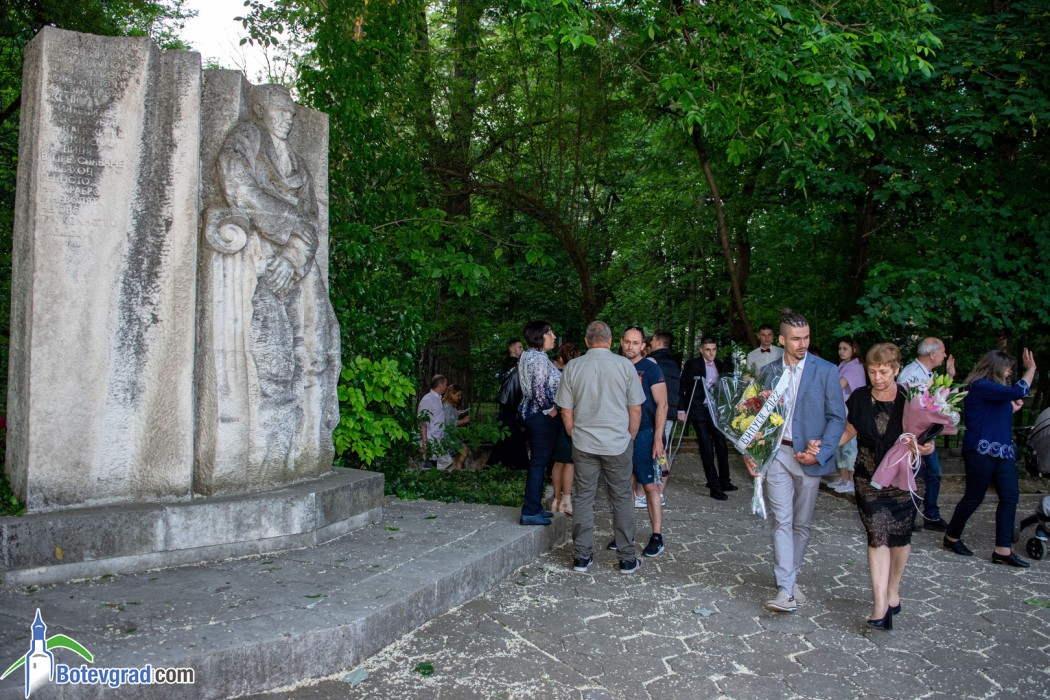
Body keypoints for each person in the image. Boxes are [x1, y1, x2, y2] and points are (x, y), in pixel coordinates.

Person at [212, 83, 341, 477]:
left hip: (297, 266)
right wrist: (288, 230)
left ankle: (307, 451)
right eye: (281, 109)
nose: (289, 117)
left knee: (316, 352)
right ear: (260, 110)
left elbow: (312, 222)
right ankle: (266, 458)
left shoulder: (298, 164)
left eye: (291, 111)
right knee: (272, 360)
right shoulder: (247, 138)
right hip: (258, 262)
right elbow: (237, 184)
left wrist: (294, 256)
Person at [744, 308, 846, 613]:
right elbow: (754, 417)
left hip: (809, 458)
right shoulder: (769, 372)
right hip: (777, 454)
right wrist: (751, 453)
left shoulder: (826, 370)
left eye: (806, 338)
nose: (803, 344)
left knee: (801, 524)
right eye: (796, 339)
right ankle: (785, 590)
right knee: (781, 520)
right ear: (782, 340)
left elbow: (837, 418)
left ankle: (791, 579)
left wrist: (821, 452)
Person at [839, 343, 934, 630]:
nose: (877, 377)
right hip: (868, 477)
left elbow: (926, 439)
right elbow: (849, 429)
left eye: (883, 371)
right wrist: (820, 448)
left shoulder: (911, 397)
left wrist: (926, 448)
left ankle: (893, 589)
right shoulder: (859, 397)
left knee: (900, 537)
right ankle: (880, 604)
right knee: (877, 534)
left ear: (896, 369)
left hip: (904, 478)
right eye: (872, 371)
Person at [554, 321, 645, 574]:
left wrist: (574, 433)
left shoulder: (573, 367)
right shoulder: (625, 366)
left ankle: (581, 557)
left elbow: (565, 410)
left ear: (586, 341)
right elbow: (636, 409)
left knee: (583, 497)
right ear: (611, 340)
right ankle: (627, 559)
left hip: (584, 443)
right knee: (622, 498)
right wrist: (630, 436)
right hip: (618, 443)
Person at [943, 349, 1038, 568]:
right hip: (980, 450)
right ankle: (952, 536)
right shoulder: (979, 385)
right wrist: (1031, 369)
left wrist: (1011, 408)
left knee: (1010, 497)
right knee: (974, 497)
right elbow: (1019, 390)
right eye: (1008, 368)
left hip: (1003, 451)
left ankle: (1002, 550)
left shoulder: (996, 391)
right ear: (996, 367)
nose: (1009, 372)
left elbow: (994, 413)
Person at [898, 337, 956, 531]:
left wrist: (950, 377)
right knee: (920, 475)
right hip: (915, 436)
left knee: (932, 474)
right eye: (943, 351)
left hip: (926, 436)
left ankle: (928, 515)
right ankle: (914, 515)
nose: (945, 355)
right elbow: (908, 407)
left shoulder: (927, 373)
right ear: (932, 354)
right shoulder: (912, 374)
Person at [622, 327, 668, 557]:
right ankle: (625, 534)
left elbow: (663, 404)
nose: (630, 346)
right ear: (621, 342)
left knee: (649, 486)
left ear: (643, 346)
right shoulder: (617, 366)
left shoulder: (651, 368)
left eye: (635, 343)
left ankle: (656, 536)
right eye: (627, 342)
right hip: (620, 434)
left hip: (646, 433)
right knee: (624, 486)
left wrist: (658, 439)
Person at [680, 338, 737, 500]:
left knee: (721, 444)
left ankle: (724, 480)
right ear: (701, 350)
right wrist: (681, 409)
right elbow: (682, 386)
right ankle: (714, 486)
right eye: (707, 350)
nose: (711, 353)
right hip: (699, 410)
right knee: (706, 447)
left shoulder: (720, 364)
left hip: (714, 411)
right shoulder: (693, 364)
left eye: (713, 349)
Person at [517, 321, 561, 526]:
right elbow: (539, 392)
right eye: (550, 333)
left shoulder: (527, 355)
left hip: (529, 413)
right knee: (538, 463)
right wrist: (551, 411)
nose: (554, 336)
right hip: (540, 416)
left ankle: (534, 506)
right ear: (540, 336)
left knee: (538, 462)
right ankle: (530, 511)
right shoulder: (540, 359)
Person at [829, 337, 866, 495]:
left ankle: (851, 479)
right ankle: (843, 477)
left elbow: (838, 386)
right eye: (840, 349)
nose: (841, 351)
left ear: (854, 349)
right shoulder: (843, 365)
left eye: (845, 348)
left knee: (850, 444)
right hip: (840, 407)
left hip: (850, 408)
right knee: (839, 444)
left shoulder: (855, 366)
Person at [648, 331, 681, 505]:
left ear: (658, 342)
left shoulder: (653, 361)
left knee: (657, 450)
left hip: (657, 412)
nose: (650, 342)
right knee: (662, 451)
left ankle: (655, 491)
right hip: (670, 413)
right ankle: (660, 491)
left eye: (652, 339)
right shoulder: (674, 363)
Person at [550, 342, 582, 514]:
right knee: (570, 462)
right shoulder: (575, 376)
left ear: (560, 358)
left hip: (555, 420)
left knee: (558, 462)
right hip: (571, 419)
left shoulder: (554, 374)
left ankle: (556, 500)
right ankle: (566, 501)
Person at [487, 339, 529, 469]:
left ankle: (498, 465)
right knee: (511, 437)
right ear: (512, 349)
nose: (522, 350)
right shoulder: (515, 365)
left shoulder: (508, 366)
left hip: (508, 408)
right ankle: (514, 466)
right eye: (520, 347)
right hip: (510, 408)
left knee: (506, 437)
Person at [418, 374, 450, 469]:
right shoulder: (428, 399)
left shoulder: (437, 398)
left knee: (444, 462)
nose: (446, 387)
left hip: (438, 440)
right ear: (440, 386)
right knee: (430, 468)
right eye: (445, 384)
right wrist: (424, 443)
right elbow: (422, 422)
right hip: (430, 440)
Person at [441, 384, 471, 471]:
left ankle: (457, 470)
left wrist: (457, 413)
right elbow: (448, 424)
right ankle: (458, 470)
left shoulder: (448, 404)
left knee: (462, 450)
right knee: (464, 449)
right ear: (451, 394)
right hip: (447, 437)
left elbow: (448, 416)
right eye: (458, 395)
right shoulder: (447, 406)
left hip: (448, 435)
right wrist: (463, 421)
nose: (460, 397)